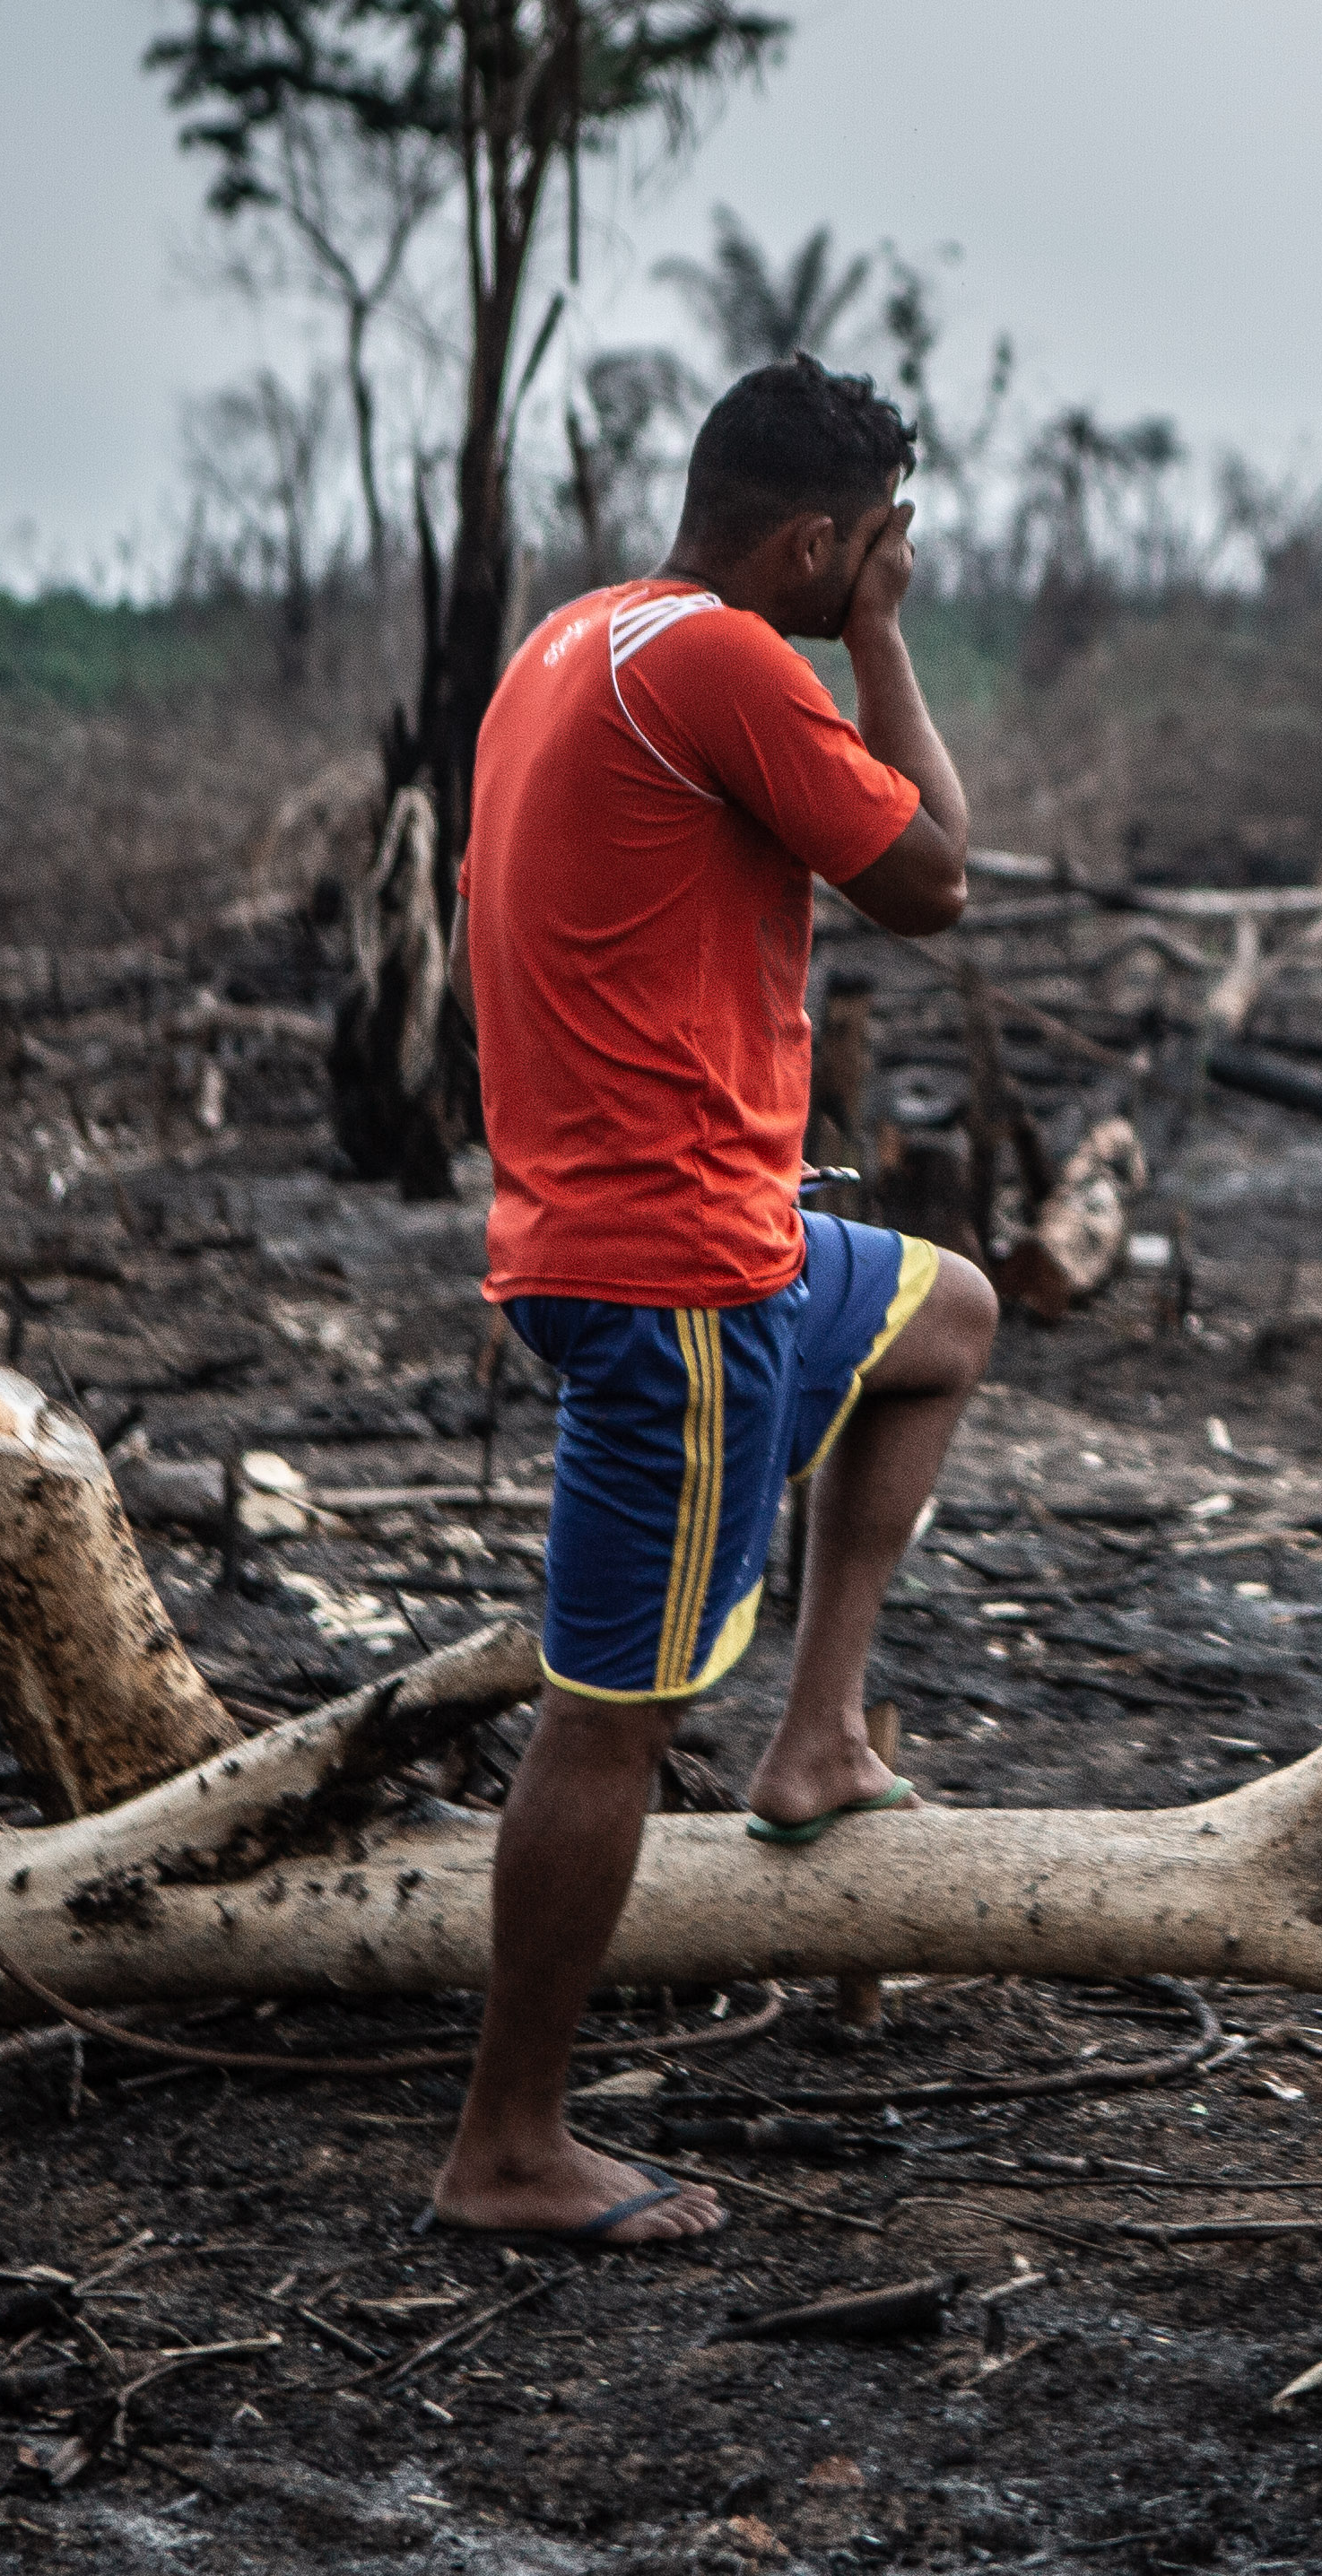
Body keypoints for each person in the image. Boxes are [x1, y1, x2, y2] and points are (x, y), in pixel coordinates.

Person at [425, 356, 994, 2249]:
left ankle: (818, 1738)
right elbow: (934, 871)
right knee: (611, 1713)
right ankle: (512, 2143)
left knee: (947, 1316)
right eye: (871, 549)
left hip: (694, 1243)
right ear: (822, 541)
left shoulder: (577, 640)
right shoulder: (732, 664)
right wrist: (883, 645)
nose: (876, 575)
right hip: (674, 1281)